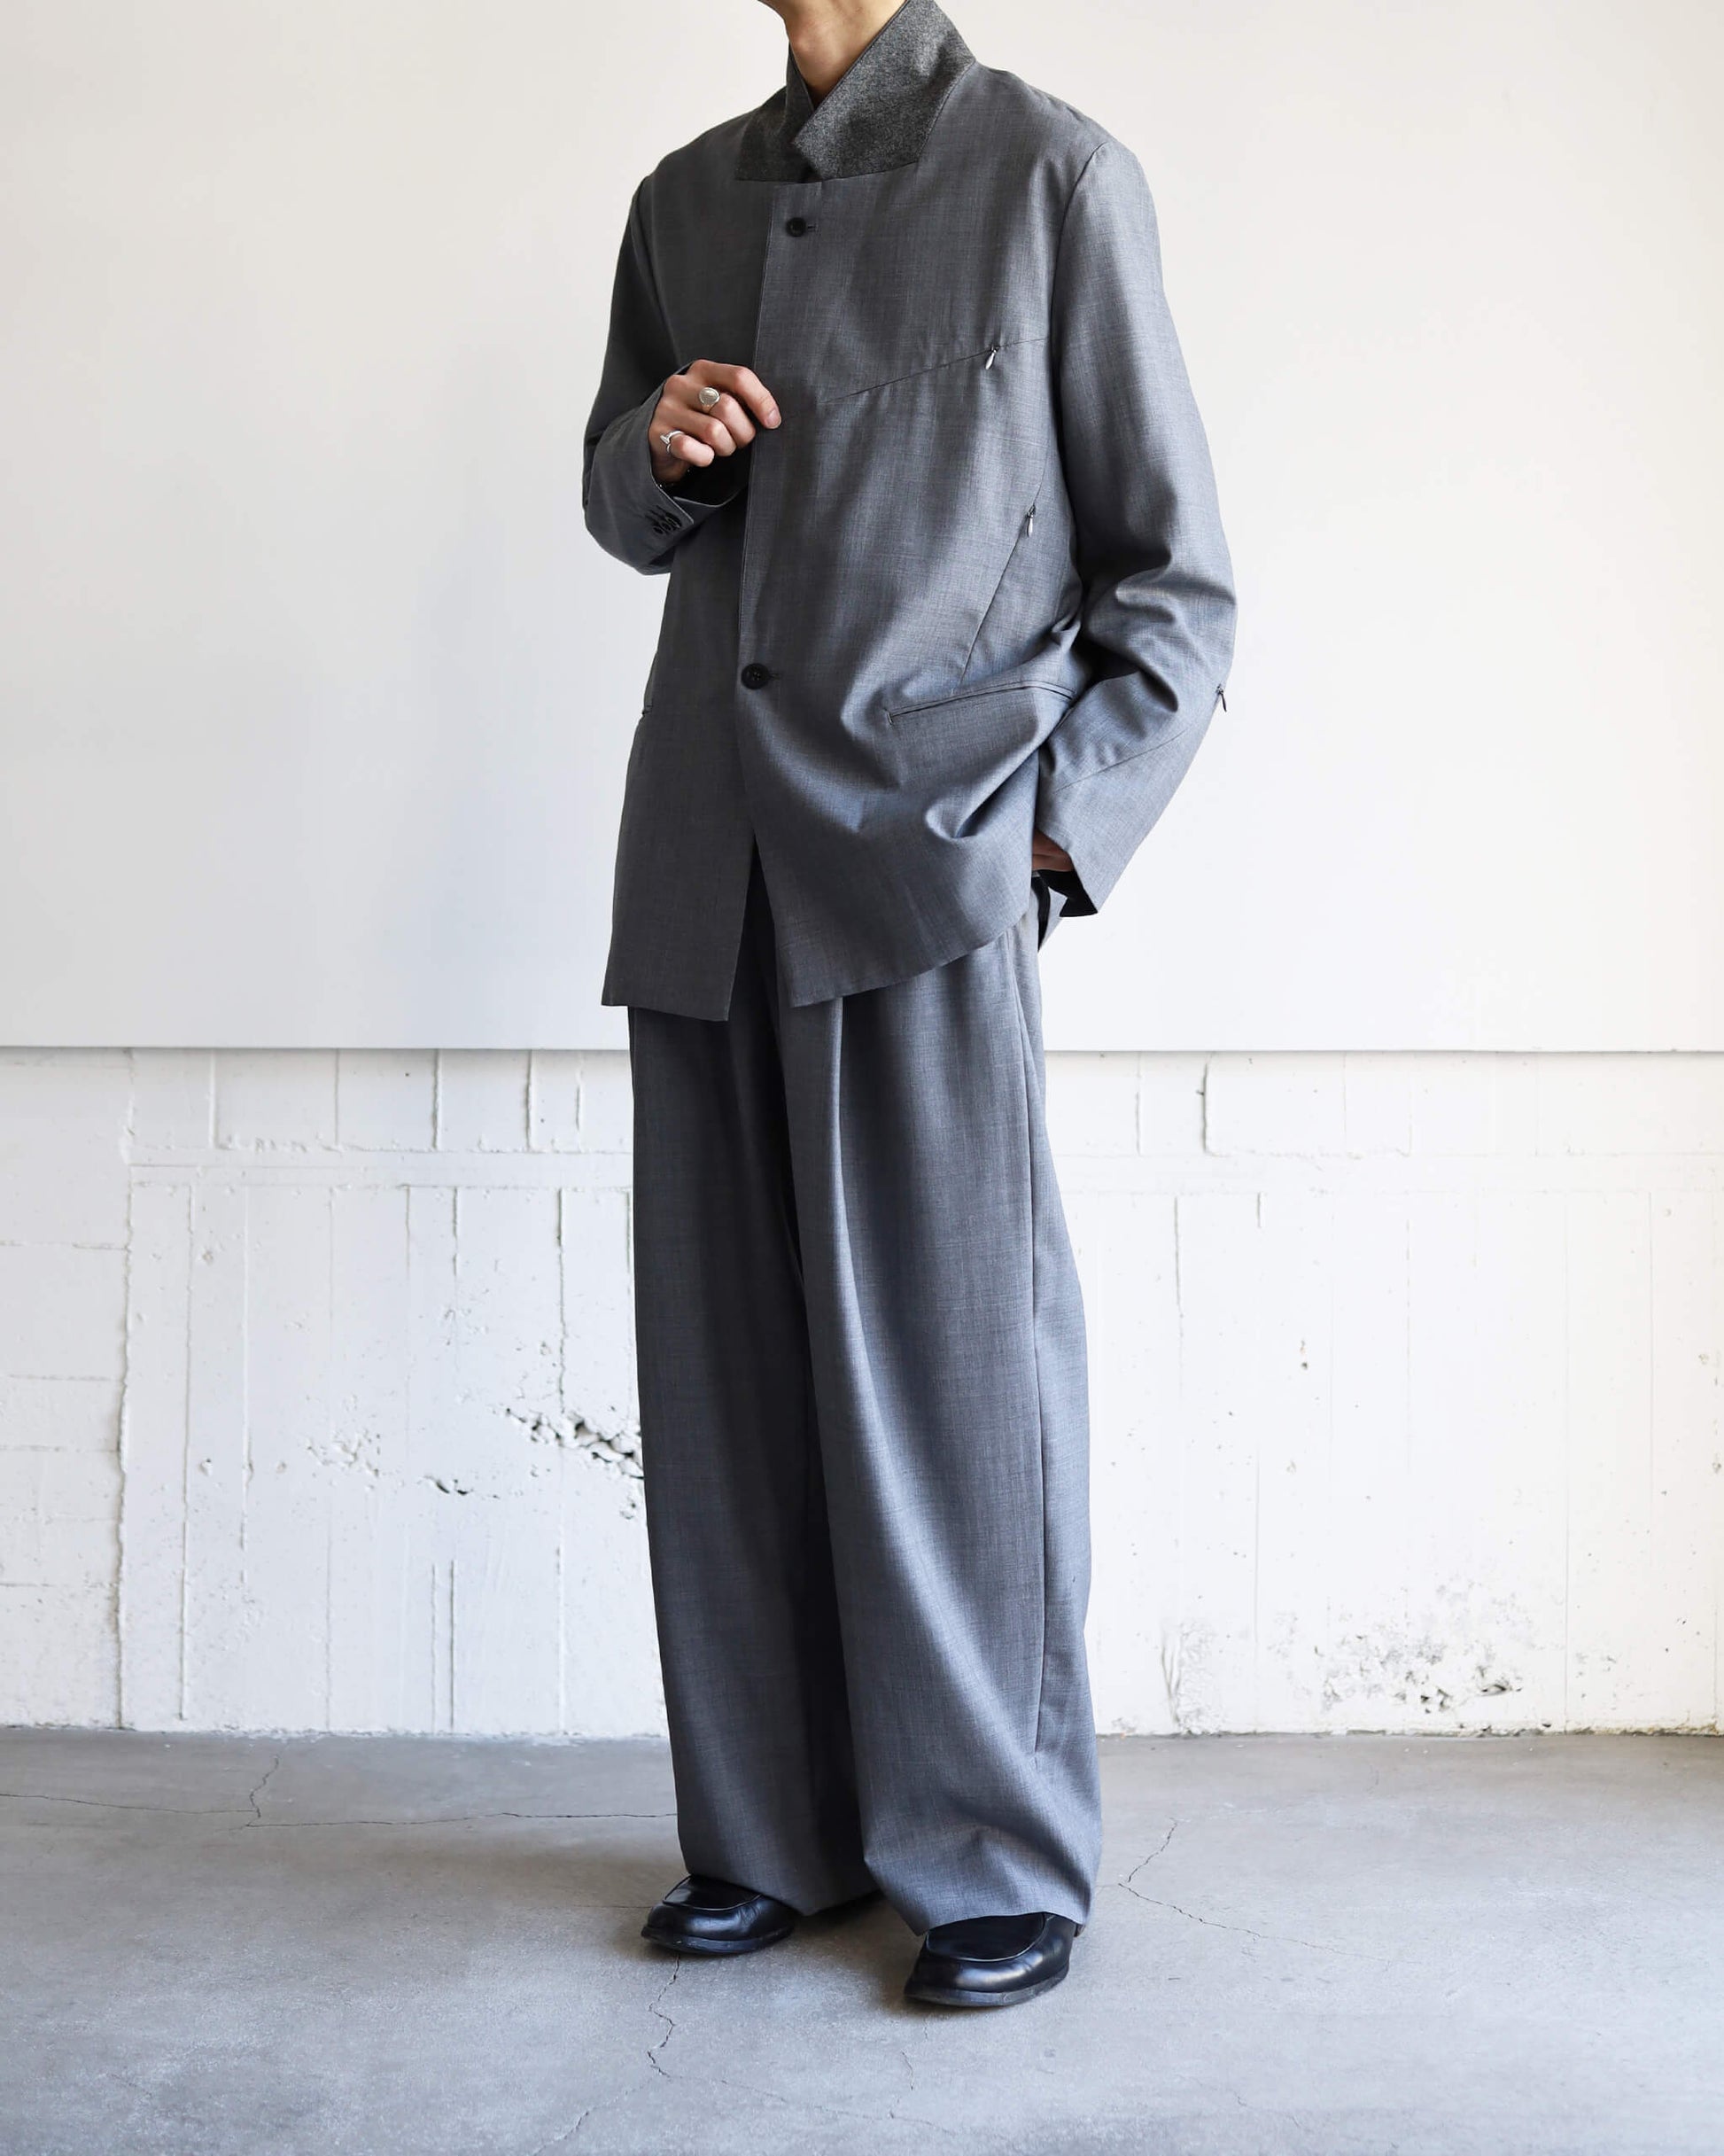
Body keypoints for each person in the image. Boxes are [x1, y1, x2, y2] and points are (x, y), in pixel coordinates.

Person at [582, 0, 1233, 2010]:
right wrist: (656, 451)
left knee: (954, 1378)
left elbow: (1174, 589)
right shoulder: (681, 199)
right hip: (707, 857)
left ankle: (990, 1852)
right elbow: (616, 501)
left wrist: (1038, 839)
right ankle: (767, 1836)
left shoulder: (1047, 176)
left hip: (920, 867)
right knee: (724, 1378)